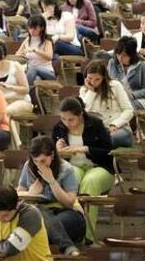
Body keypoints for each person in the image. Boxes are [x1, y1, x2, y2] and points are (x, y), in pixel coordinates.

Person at [53, 97, 114, 242]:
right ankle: (69, 230)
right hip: (73, 166)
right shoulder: (59, 128)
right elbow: (51, 155)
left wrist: (83, 149)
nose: (67, 123)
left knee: (90, 182)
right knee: (69, 177)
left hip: (99, 167)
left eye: (71, 119)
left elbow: (108, 150)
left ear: (80, 115)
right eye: (63, 119)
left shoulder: (96, 124)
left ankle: (88, 235)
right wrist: (57, 151)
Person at [18, 136, 85, 256]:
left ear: (52, 155)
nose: (39, 165)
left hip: (66, 211)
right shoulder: (28, 166)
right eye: (36, 161)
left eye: (43, 161)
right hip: (39, 213)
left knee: (43, 226)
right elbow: (19, 193)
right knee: (39, 214)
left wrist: (52, 181)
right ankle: (69, 249)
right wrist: (30, 194)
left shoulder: (66, 169)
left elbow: (70, 202)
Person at [0, 186, 52, 261]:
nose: (0, 219)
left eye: (6, 215)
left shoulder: (30, 215)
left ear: (17, 205)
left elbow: (12, 248)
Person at [0, 44, 32, 149]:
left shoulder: (15, 66)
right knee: (6, 114)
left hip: (21, 100)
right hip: (3, 102)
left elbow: (25, 89)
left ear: (3, 58)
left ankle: (16, 146)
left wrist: (10, 87)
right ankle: (13, 147)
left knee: (8, 111)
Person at [80, 59, 134, 148]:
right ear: (86, 77)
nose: (93, 82)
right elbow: (84, 111)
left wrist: (115, 124)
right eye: (90, 78)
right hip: (99, 130)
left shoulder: (115, 86)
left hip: (119, 128)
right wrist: (91, 92)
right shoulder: (84, 90)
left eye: (97, 79)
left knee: (105, 141)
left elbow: (129, 110)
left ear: (103, 78)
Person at [108, 36, 145, 110]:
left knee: (126, 107)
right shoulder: (112, 63)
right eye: (118, 54)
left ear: (132, 55)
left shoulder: (142, 65)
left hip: (139, 99)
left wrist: (131, 95)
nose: (120, 58)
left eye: (124, 55)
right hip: (117, 99)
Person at [16, 15, 55, 87]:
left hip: (47, 71)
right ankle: (29, 94)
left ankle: (24, 90)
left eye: (35, 29)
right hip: (32, 72)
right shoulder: (27, 40)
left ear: (42, 28)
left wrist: (35, 50)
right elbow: (17, 54)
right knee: (36, 79)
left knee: (33, 68)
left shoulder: (47, 41)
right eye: (30, 28)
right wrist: (23, 53)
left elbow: (49, 57)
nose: (32, 31)